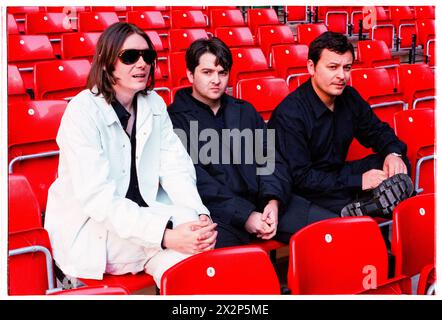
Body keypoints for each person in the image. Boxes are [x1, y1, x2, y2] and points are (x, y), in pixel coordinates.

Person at [44, 22, 217, 288]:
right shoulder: (81, 112)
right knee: (185, 254)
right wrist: (166, 236)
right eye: (129, 57)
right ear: (105, 62)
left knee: (196, 246)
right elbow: (99, 199)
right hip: (96, 228)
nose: (142, 63)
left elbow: (176, 168)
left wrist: (197, 215)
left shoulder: (154, 103)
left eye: (147, 56)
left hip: (145, 216)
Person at [267, 31, 413, 230]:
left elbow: (377, 130)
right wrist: (358, 181)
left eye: (347, 68)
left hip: (339, 174)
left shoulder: (349, 97)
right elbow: (302, 178)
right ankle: (362, 208)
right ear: (312, 67)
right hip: (307, 189)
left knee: (399, 165)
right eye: (333, 67)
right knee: (333, 207)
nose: (341, 76)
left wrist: (392, 154)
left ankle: (363, 207)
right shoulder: (290, 114)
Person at [168, 38, 293, 247]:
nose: (216, 80)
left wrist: (273, 201)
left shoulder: (245, 110)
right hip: (216, 214)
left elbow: (270, 158)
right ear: (190, 74)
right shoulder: (173, 119)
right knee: (222, 254)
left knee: (320, 225)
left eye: (222, 73)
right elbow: (196, 181)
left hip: (262, 205)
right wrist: (245, 216)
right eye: (207, 72)